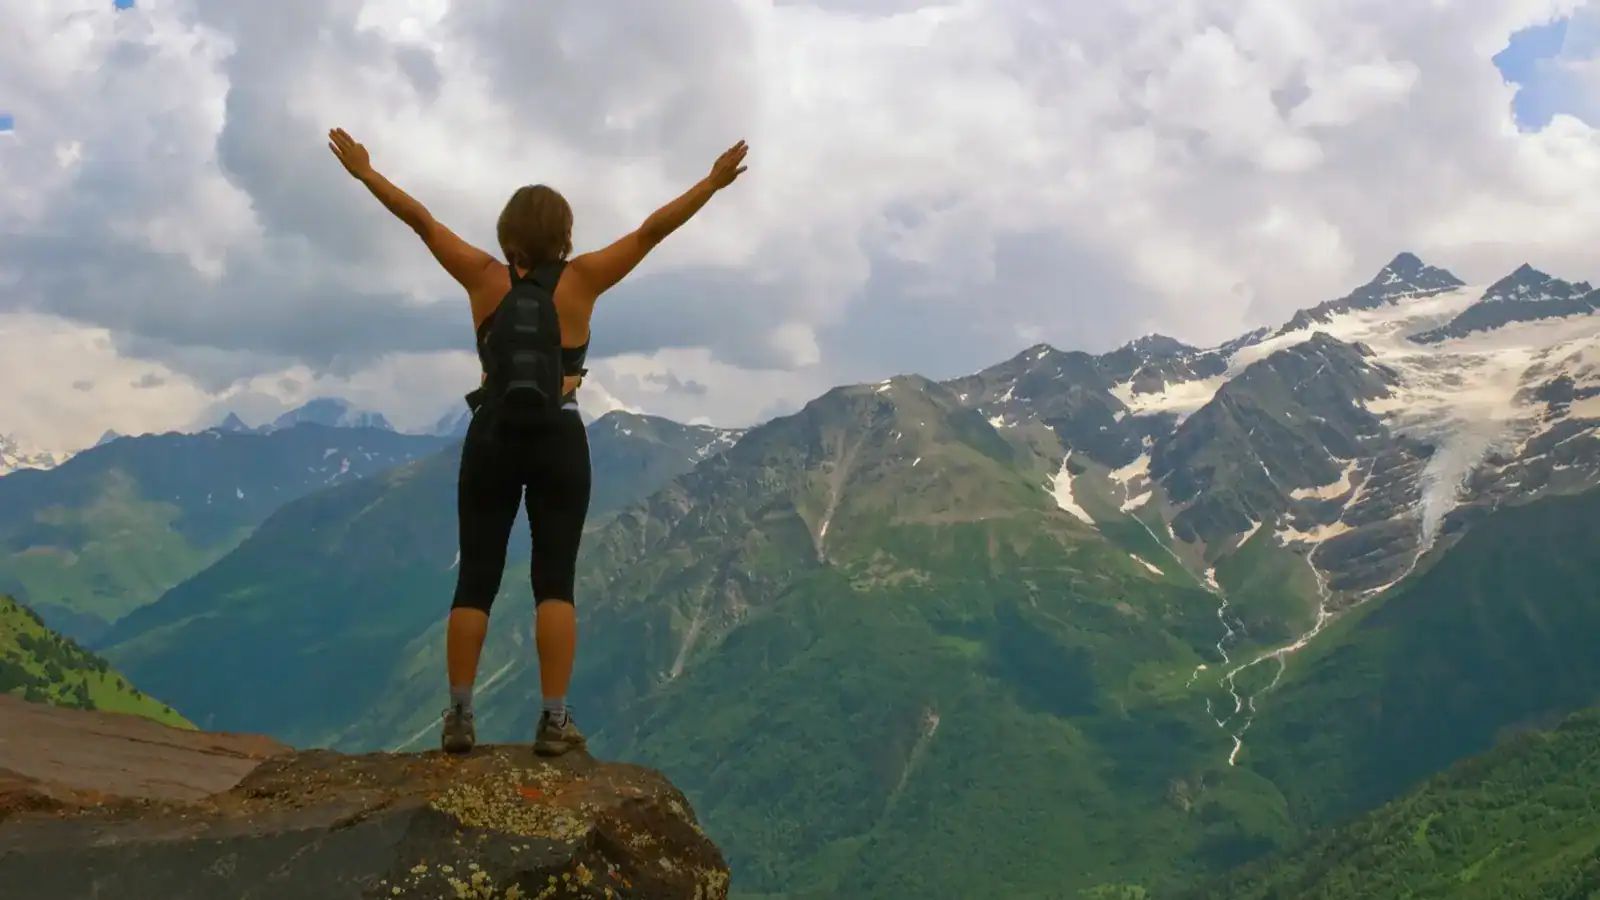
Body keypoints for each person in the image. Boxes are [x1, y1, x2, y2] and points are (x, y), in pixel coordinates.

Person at [327, 126, 749, 755]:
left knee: (476, 578)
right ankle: (554, 721)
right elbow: (651, 231)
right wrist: (711, 185)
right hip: (560, 435)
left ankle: (460, 717)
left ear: (507, 235)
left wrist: (366, 173)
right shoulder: (583, 281)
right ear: (565, 235)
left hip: (492, 434)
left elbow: (419, 220)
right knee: (555, 581)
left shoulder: (481, 277)